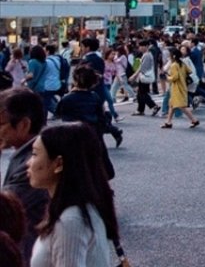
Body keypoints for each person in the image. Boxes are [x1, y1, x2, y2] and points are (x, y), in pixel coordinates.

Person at [26, 123, 123, 267]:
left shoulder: (70, 221)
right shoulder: (78, 209)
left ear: (58, 164)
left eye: (34, 154)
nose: (28, 163)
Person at [0, 87, 48, 262]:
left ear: (23, 125)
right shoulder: (29, 153)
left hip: (30, 253)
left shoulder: (34, 163)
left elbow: (5, 210)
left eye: (0, 124)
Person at [161, 49, 198, 129]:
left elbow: (175, 77)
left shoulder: (174, 65)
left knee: (181, 106)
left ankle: (194, 120)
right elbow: (189, 71)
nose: (169, 57)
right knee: (172, 105)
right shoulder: (182, 63)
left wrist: (167, 77)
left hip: (176, 87)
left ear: (173, 56)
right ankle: (168, 122)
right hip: (183, 85)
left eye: (170, 55)